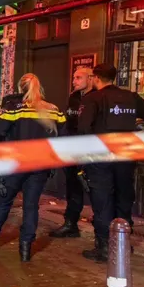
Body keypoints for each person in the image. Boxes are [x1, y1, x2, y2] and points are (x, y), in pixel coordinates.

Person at [77, 63, 144, 262]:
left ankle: (105, 247)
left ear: (96, 78)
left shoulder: (92, 99)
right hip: (125, 155)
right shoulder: (131, 97)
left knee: (102, 200)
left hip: (101, 157)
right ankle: (122, 244)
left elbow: (83, 130)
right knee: (123, 197)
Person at [0, 74, 66, 261]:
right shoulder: (53, 110)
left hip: (15, 164)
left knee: (3, 202)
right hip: (40, 165)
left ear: (20, 88)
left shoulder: (14, 109)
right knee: (31, 206)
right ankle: (25, 250)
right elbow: (63, 137)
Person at [50, 67, 93, 238]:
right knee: (73, 187)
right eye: (74, 77)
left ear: (91, 78)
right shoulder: (74, 97)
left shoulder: (98, 97)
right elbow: (68, 123)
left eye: (78, 77)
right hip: (73, 148)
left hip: (91, 149)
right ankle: (71, 223)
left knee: (95, 189)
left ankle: (103, 231)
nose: (74, 81)